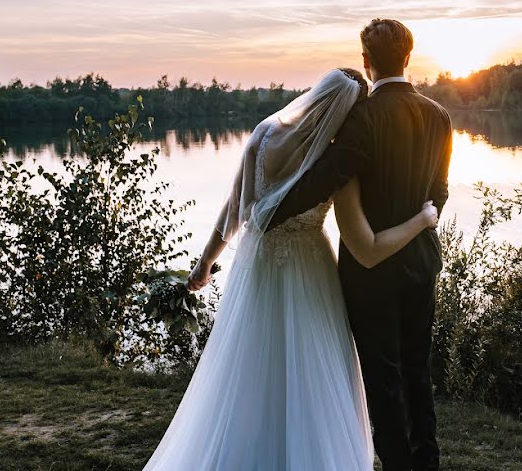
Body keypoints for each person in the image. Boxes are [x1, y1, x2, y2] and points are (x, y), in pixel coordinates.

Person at [143, 66, 439, 471]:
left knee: (248, 363)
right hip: (310, 268)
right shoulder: (337, 162)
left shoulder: (263, 135)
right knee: (315, 368)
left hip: (257, 264)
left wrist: (206, 262)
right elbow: (363, 241)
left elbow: (234, 208)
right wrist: (421, 218)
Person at [269, 19, 453, 471]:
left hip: (370, 275)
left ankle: (396, 463)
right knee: (417, 371)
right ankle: (426, 462)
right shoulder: (440, 116)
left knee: (382, 377)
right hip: (420, 265)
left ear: (367, 62)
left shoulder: (363, 118)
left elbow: (327, 176)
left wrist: (270, 208)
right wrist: (421, 223)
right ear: (408, 58)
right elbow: (440, 191)